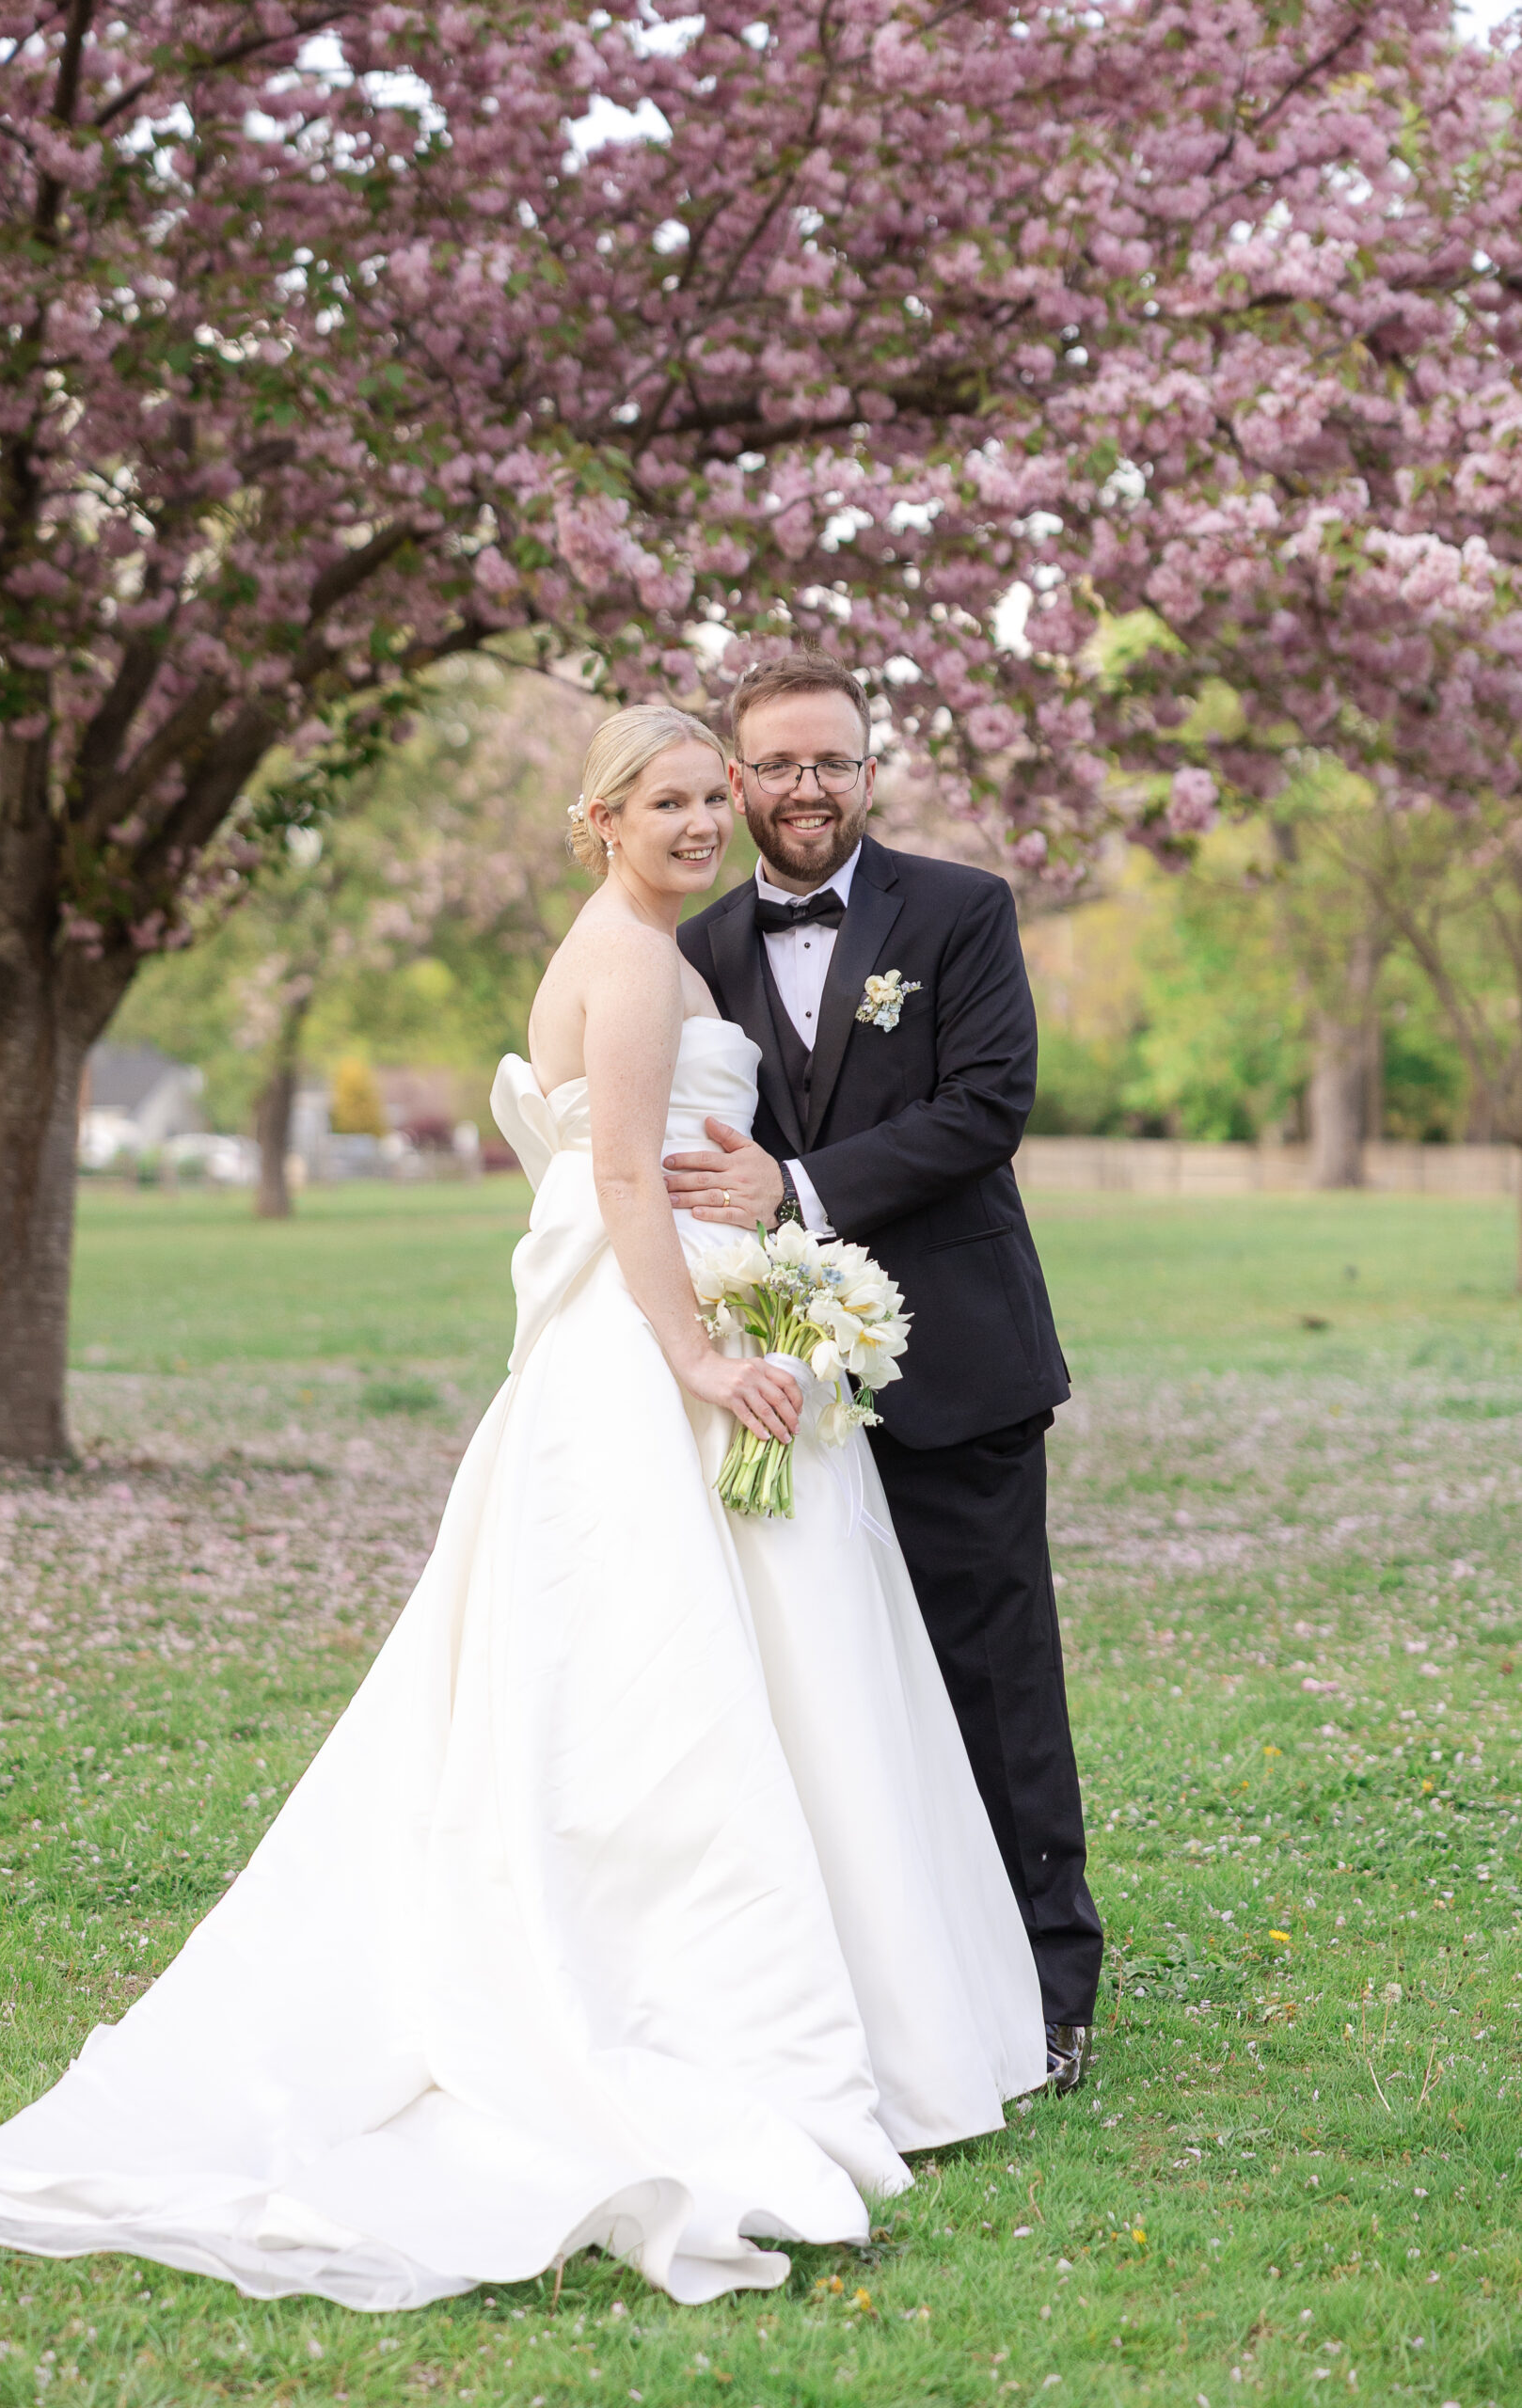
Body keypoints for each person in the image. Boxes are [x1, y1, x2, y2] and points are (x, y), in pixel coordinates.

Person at [0, 705, 1045, 2311]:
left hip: (659, 1327)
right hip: (656, 1347)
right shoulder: (645, 959)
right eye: (661, 804)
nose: (696, 828)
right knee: (686, 1686)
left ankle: (822, 1985)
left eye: (699, 800)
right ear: (598, 823)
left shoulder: (628, 947)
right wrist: (702, 1358)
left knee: (721, 1674)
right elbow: (625, 1181)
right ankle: (700, 1996)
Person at [671, 655, 1103, 2090]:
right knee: (830, 1692)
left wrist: (795, 1188)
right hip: (784, 1387)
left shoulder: (963, 911)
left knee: (992, 1675)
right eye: (778, 766)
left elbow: (989, 1106)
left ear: (871, 769)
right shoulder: (697, 945)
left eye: (832, 763)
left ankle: (1048, 1984)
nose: (806, 789)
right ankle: (878, 1978)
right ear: (736, 781)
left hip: (956, 1362)